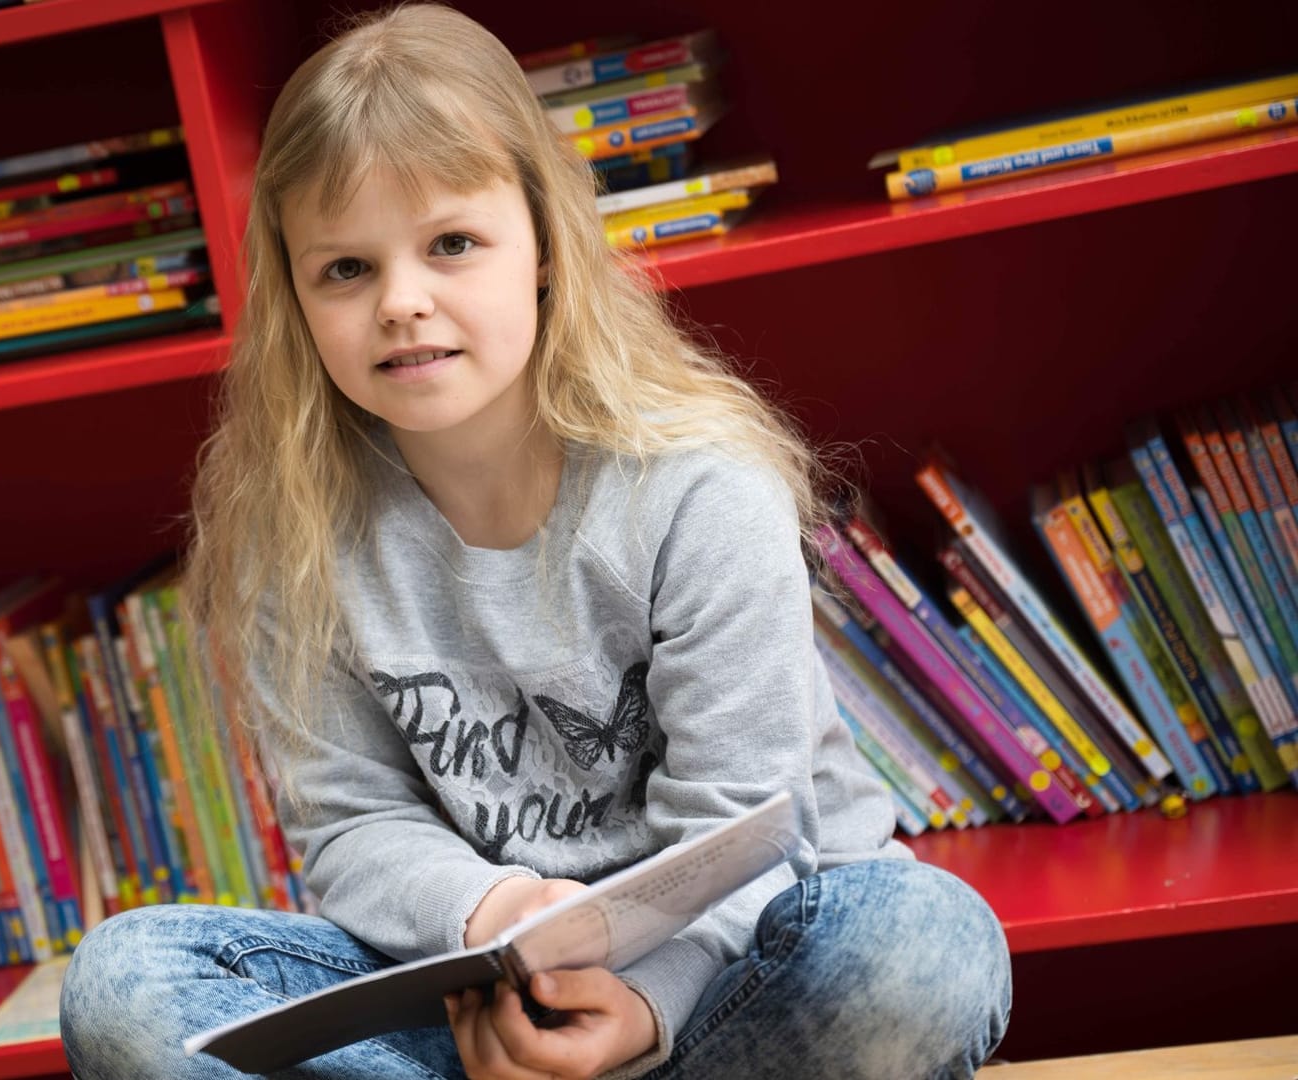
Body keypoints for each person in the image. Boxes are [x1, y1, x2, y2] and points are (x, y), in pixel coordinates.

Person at [59, 5, 1010, 1077]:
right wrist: (494, 913)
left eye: (452, 245)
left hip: (728, 979)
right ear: (294, 295)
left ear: (546, 248)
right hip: (477, 1013)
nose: (402, 303)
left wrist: (641, 1007)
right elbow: (354, 828)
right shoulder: (295, 530)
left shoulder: (698, 490)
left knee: (927, 944)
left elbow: (749, 832)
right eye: (346, 270)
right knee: (125, 983)